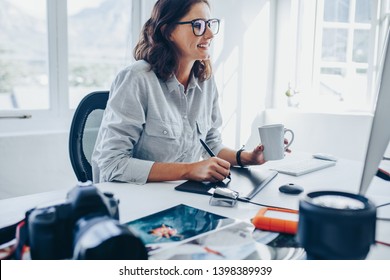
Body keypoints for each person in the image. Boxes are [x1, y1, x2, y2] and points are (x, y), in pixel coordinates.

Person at [92, 0, 266, 185]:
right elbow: (112, 164)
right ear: (168, 31)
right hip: (132, 199)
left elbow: (211, 143)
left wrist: (247, 158)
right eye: (197, 25)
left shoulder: (205, 80)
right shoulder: (137, 78)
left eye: (209, 24)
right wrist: (189, 170)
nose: (209, 34)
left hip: (177, 196)